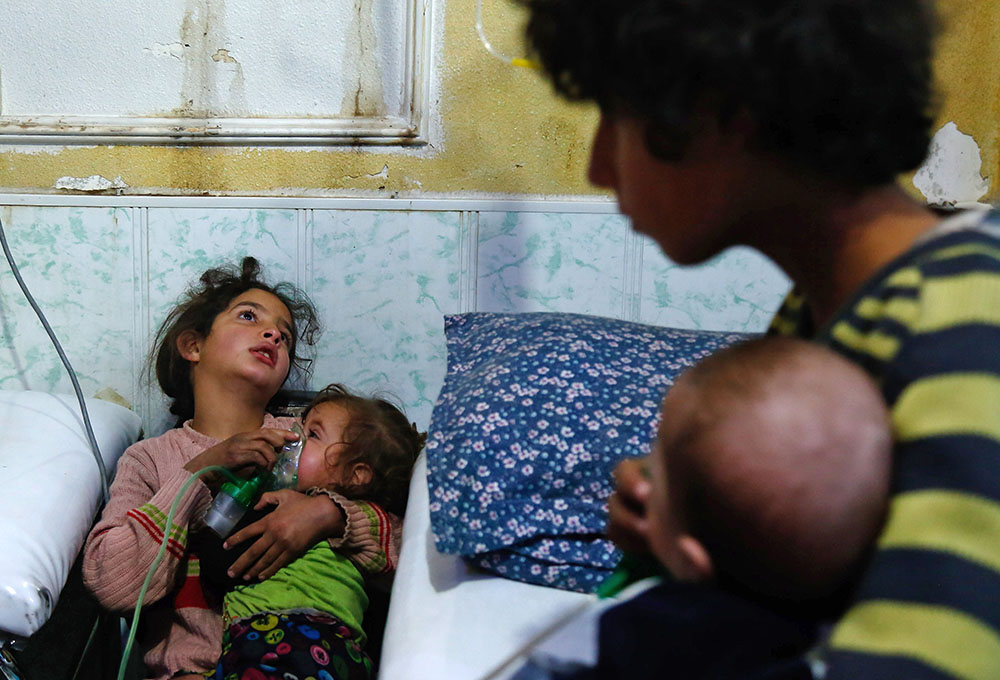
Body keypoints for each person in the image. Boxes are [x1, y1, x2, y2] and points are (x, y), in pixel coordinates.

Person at [521, 0, 1000, 677]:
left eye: (613, 117)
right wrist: (680, 521)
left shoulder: (970, 318)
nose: (599, 167)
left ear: (719, 110)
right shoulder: (823, 308)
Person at [82, 258, 402, 680]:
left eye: (284, 336)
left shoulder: (309, 441)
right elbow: (112, 584)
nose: (272, 333)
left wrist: (329, 514)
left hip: (311, 660)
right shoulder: (150, 459)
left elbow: (407, 545)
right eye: (249, 316)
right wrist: (197, 473)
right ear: (193, 347)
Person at [194, 383, 424, 680]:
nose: (293, 438)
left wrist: (329, 511)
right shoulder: (275, 500)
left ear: (356, 476)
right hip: (294, 649)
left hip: (294, 639)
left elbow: (403, 548)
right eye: (301, 426)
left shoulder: (356, 522)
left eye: (312, 434)